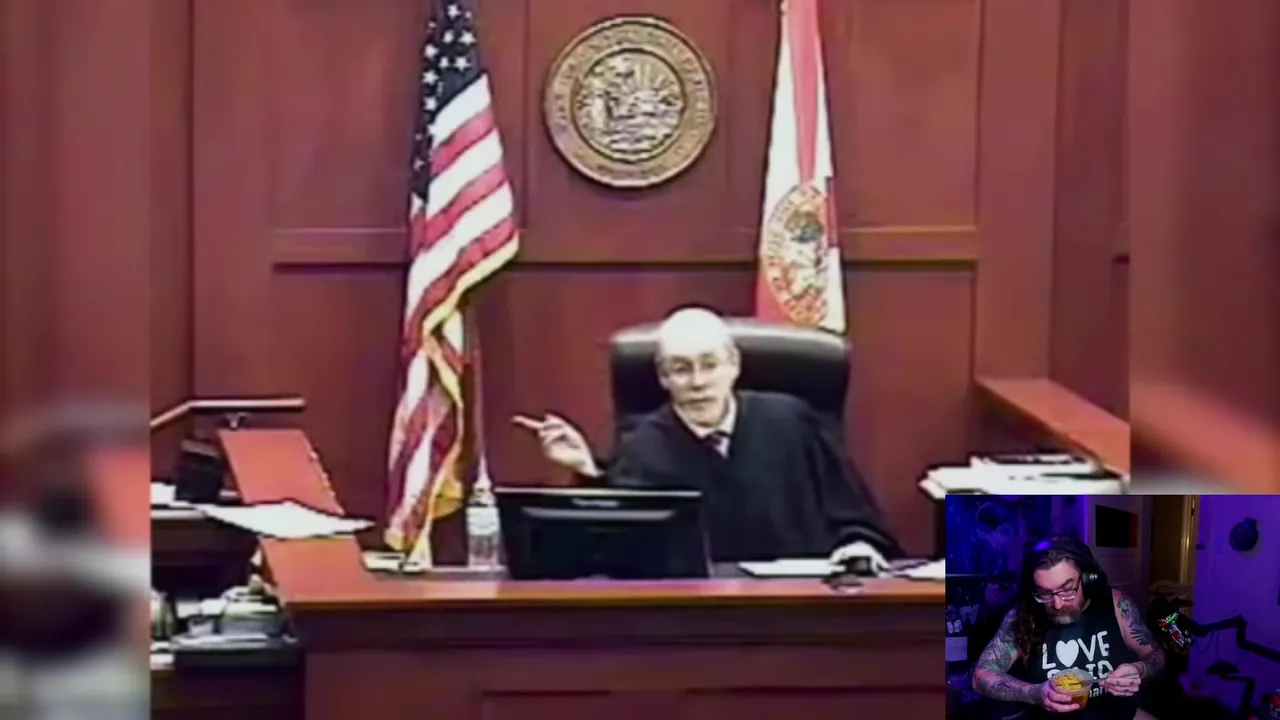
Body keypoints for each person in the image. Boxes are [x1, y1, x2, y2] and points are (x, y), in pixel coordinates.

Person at [512, 307, 902, 566]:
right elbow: (616, 545)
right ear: (663, 378)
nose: (697, 382)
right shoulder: (643, 446)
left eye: (709, 365)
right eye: (681, 369)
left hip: (801, 611)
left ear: (734, 365)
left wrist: (858, 548)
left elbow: (854, 517)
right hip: (694, 621)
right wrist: (588, 472)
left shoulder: (792, 421)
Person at [971, 536, 1166, 719]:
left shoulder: (1117, 605)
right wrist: (1034, 693)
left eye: (1067, 589)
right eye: (1045, 593)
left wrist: (1139, 669)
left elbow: (1155, 655)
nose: (1057, 604)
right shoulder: (1022, 615)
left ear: (1088, 580)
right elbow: (981, 676)